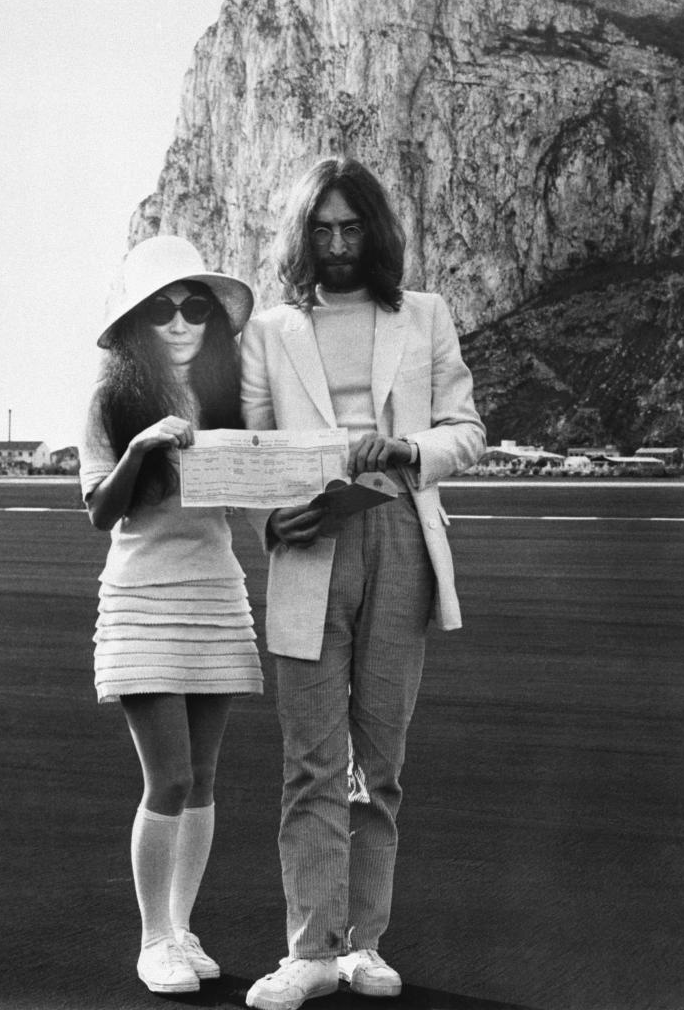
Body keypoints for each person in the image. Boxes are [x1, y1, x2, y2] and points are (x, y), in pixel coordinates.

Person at [241, 158, 486, 1010]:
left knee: (378, 764)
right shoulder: (270, 330)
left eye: (352, 228)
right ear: (302, 235)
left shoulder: (423, 315)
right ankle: (308, 950)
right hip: (308, 544)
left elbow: (467, 428)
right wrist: (273, 522)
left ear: (374, 231)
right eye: (322, 229)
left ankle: (364, 944)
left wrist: (412, 449)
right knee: (310, 760)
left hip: (401, 536)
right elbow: (249, 450)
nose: (338, 244)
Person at [79, 235, 263, 995]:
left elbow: (259, 490)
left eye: (195, 306)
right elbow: (99, 511)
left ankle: (182, 927)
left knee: (206, 777)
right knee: (170, 776)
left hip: (216, 592)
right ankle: (153, 938)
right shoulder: (111, 400)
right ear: (137, 324)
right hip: (143, 598)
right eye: (163, 309)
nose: (183, 321)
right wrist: (142, 449)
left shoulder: (229, 396)